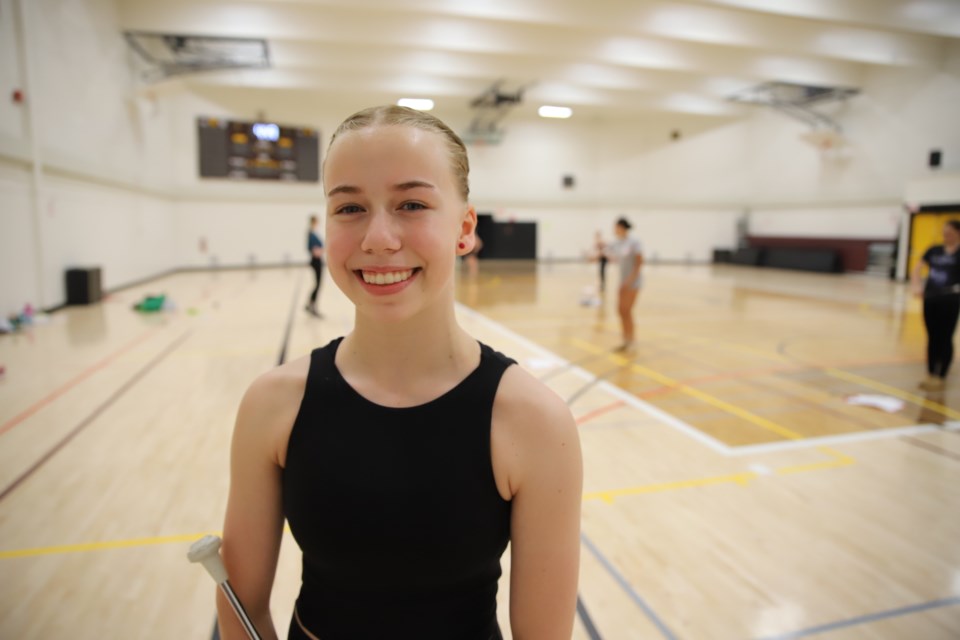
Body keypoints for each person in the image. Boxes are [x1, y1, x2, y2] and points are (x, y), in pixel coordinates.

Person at [218, 105, 583, 640]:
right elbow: (242, 607)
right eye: (349, 208)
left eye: (411, 204)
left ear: (464, 229)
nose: (379, 238)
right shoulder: (274, 404)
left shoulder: (534, 423)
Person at [910, 219, 960, 392]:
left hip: (951, 299)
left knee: (945, 336)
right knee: (932, 336)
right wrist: (916, 285)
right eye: (944, 232)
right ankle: (931, 373)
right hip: (931, 298)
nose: (946, 236)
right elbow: (917, 268)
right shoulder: (934, 250)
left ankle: (942, 376)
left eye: (950, 233)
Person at [606, 217, 643, 352]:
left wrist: (630, 280)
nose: (614, 230)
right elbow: (607, 250)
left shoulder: (634, 242)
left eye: (616, 227)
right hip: (622, 282)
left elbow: (639, 262)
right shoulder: (618, 243)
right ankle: (625, 340)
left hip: (633, 282)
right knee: (620, 311)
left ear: (622, 227)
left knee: (627, 310)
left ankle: (631, 340)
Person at [305, 215, 324, 317]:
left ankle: (310, 304)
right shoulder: (311, 234)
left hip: (316, 261)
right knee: (317, 284)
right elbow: (314, 251)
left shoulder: (312, 233)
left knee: (317, 284)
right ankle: (312, 305)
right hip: (316, 261)